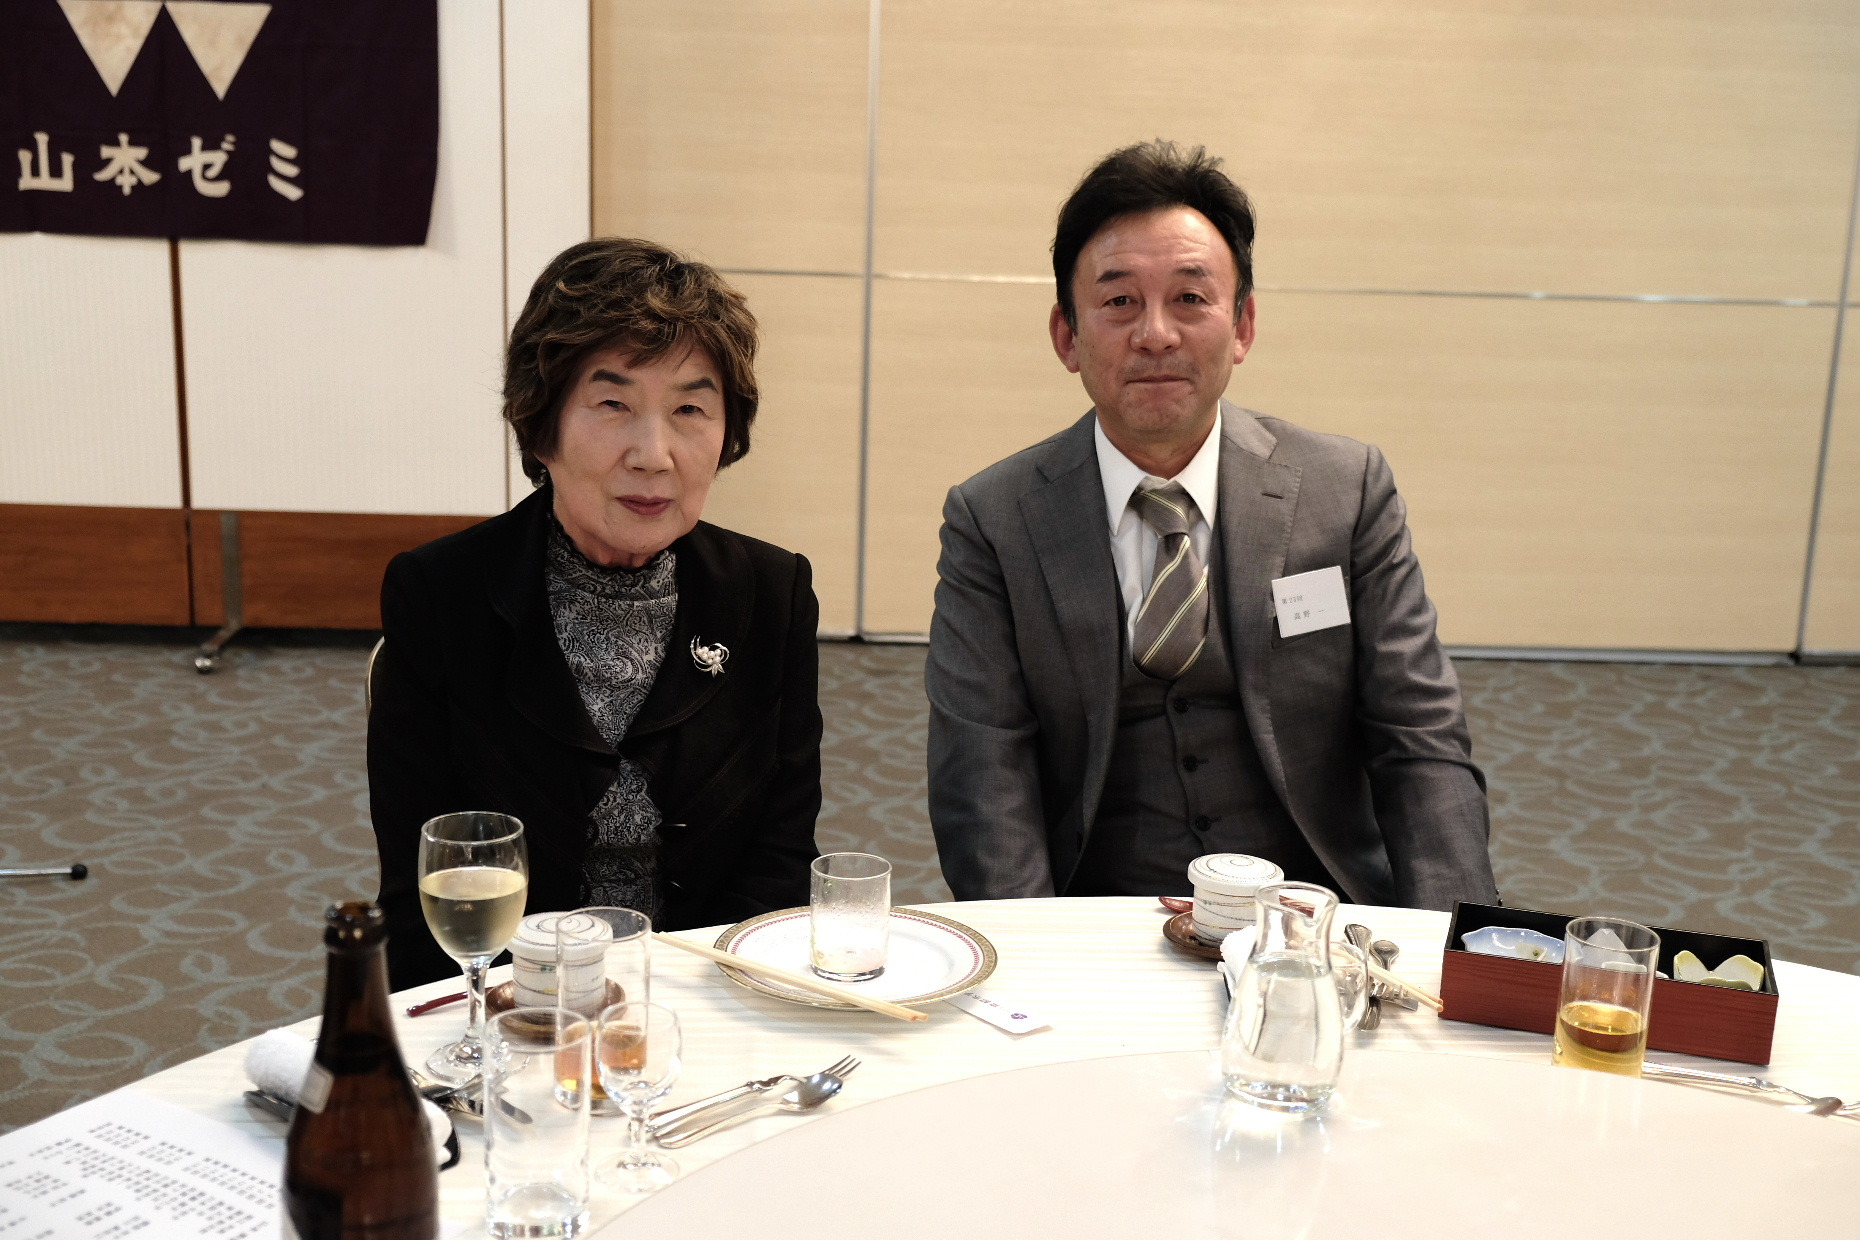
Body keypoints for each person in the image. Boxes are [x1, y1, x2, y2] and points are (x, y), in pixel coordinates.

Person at [926, 141, 1499, 911]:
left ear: (1243, 326)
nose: (1156, 334)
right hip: (1094, 917)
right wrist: (1039, 952)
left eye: (1191, 298)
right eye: (1119, 302)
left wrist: (1453, 948)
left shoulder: (1345, 491)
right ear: (1067, 336)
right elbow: (983, 773)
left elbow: (1419, 738)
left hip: (1312, 912)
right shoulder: (995, 519)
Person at [368, 238, 822, 988]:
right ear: (541, 422)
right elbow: (428, 887)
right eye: (614, 405)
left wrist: (699, 1011)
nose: (654, 454)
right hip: (513, 1002)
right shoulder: (441, 594)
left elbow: (779, 865)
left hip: (707, 999)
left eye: (690, 409)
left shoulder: (772, 593)